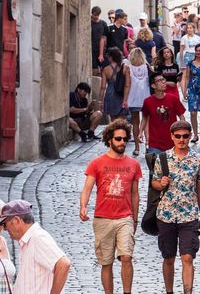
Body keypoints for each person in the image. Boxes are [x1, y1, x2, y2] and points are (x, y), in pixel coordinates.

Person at [80, 120, 142, 294]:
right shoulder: (96, 163)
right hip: (103, 218)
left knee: (127, 257)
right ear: (109, 139)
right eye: (118, 139)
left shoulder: (133, 165)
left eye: (124, 139)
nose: (122, 143)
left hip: (125, 218)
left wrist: (135, 218)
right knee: (106, 262)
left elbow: (135, 194)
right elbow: (87, 188)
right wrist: (83, 207)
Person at [151, 121, 200, 294]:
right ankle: (169, 291)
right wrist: (161, 184)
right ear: (172, 137)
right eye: (178, 136)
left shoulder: (197, 160)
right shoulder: (162, 158)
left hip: (189, 215)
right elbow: (154, 183)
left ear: (190, 136)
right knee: (168, 258)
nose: (181, 140)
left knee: (187, 257)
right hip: (166, 215)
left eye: (185, 136)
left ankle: (187, 292)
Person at [0, 200, 70, 294]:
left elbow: (63, 264)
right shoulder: (29, 239)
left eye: (5, 225)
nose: (5, 229)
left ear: (17, 221)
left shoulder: (38, 238)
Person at [140, 73, 187, 153]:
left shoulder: (173, 99)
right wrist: (141, 133)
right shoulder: (147, 101)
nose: (163, 82)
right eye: (159, 80)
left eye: (163, 79)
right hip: (154, 143)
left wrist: (183, 130)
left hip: (172, 142)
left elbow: (181, 116)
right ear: (153, 86)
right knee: (155, 165)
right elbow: (144, 118)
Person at [124, 48, 151, 156]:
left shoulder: (129, 68)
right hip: (146, 98)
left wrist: (125, 100)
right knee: (147, 122)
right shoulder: (146, 67)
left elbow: (127, 85)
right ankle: (148, 145)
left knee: (135, 123)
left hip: (133, 98)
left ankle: (137, 148)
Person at [181, 44, 200, 144]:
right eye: (196, 50)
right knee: (193, 112)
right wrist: (184, 90)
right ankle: (195, 134)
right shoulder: (190, 63)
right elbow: (186, 77)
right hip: (192, 90)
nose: (198, 52)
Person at [99, 47, 129, 121]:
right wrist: (125, 99)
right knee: (122, 121)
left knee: (113, 121)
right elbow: (127, 85)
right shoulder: (125, 68)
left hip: (110, 94)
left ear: (111, 57)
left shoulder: (106, 69)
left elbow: (103, 87)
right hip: (122, 95)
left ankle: (114, 132)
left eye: (108, 56)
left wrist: (100, 101)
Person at [91, 6, 109, 75]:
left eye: (97, 15)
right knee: (94, 69)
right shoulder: (89, 23)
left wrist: (102, 53)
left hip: (101, 50)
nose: (96, 17)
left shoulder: (103, 24)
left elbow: (104, 38)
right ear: (92, 14)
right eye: (94, 15)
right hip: (92, 50)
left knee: (103, 69)